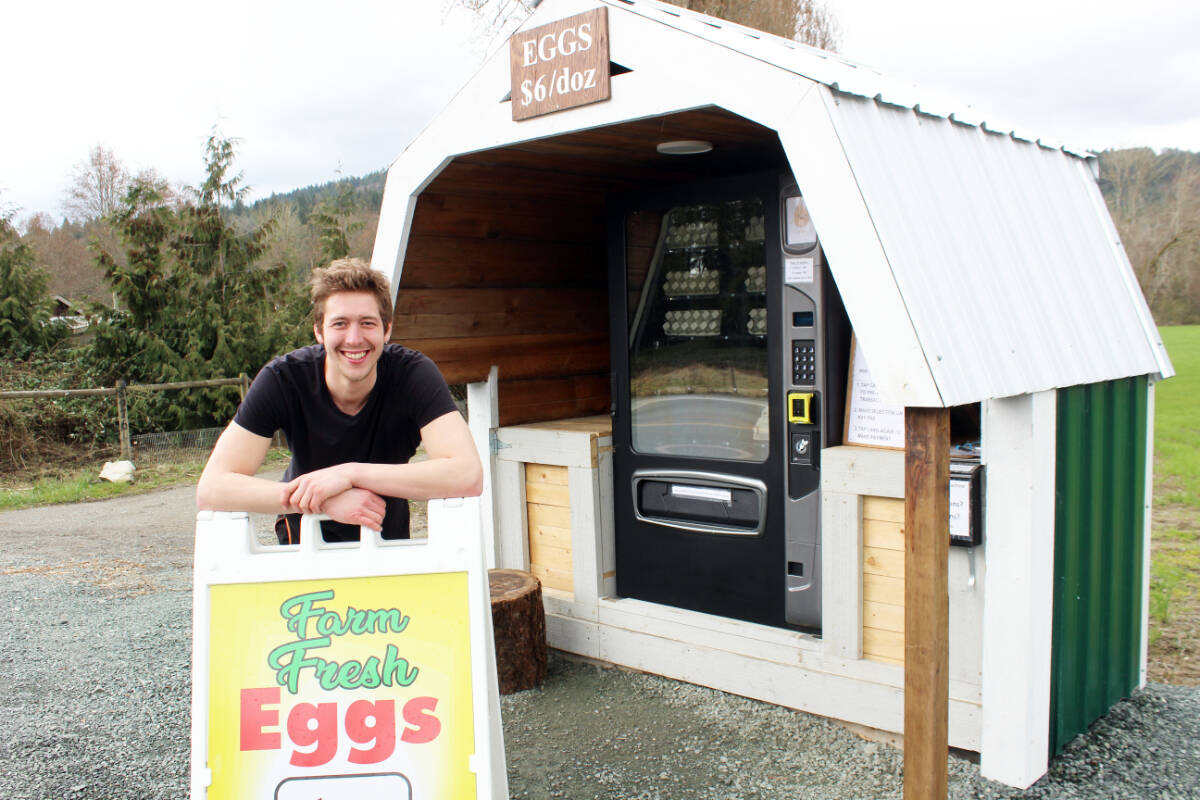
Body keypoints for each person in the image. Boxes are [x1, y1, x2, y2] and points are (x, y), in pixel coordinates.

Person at [196, 258, 482, 543]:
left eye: (367, 323)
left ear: (387, 330)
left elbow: (467, 474)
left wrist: (349, 474)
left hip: (385, 538)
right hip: (303, 543)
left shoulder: (413, 374)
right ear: (319, 331)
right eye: (340, 324)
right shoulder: (283, 378)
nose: (354, 339)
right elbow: (212, 487)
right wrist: (321, 500)